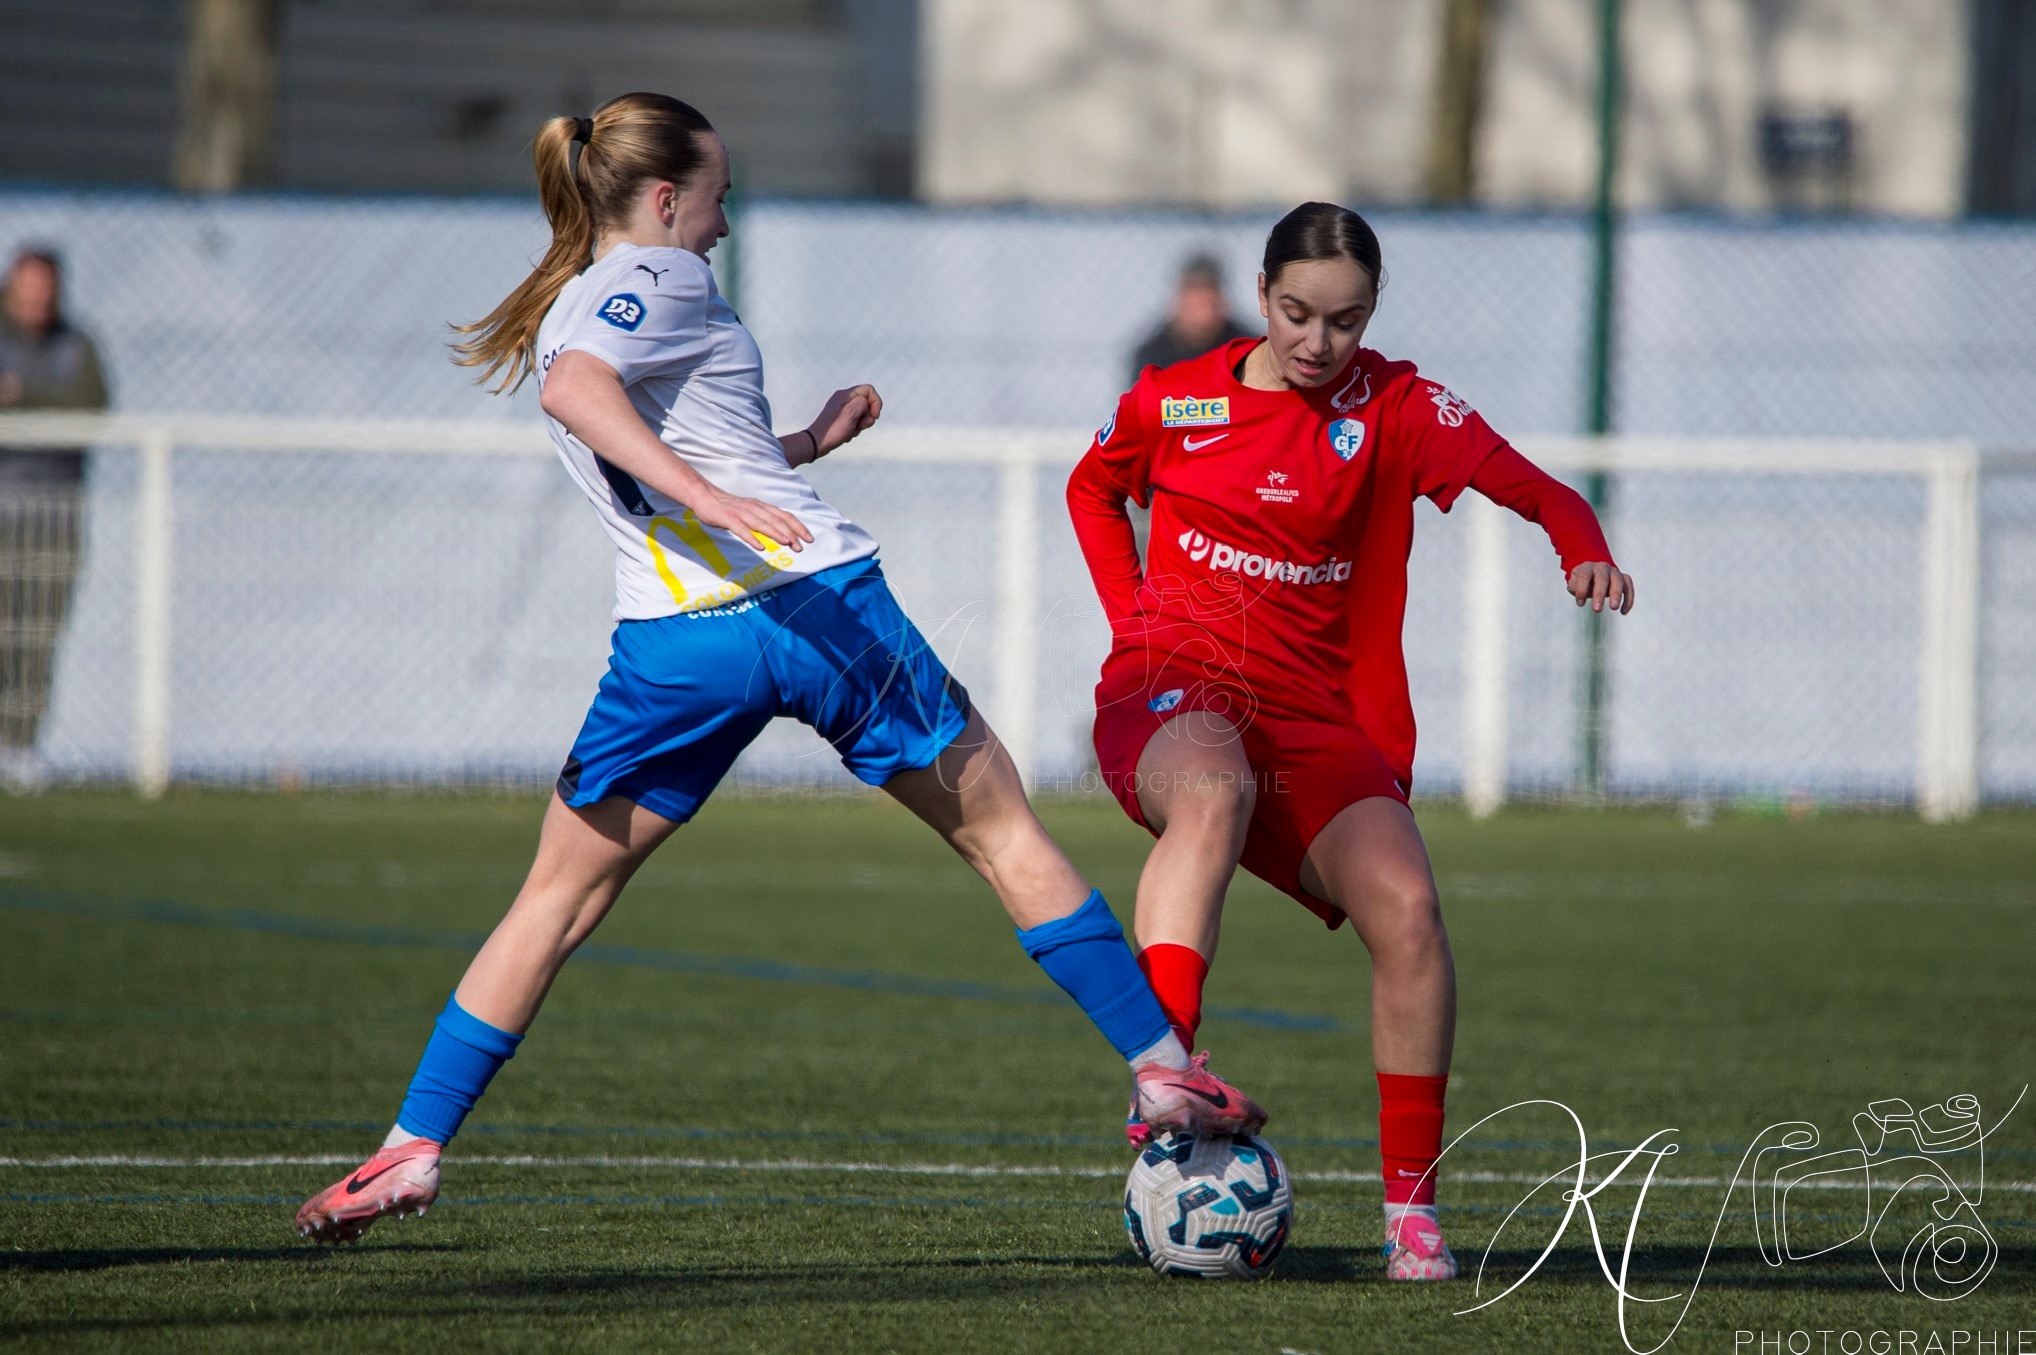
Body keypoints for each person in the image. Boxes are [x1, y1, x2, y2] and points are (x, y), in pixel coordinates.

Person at [293, 93, 1264, 1245]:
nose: (719, 219)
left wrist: (795, 444)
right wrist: (722, 496)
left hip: (678, 645)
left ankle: (410, 1147)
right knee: (1000, 828)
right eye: (713, 196)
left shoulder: (570, 301)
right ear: (662, 200)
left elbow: (650, 426)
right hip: (815, 606)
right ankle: (1161, 1068)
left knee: (555, 898)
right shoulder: (662, 278)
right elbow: (581, 392)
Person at [1066, 202, 1635, 1282]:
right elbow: (1091, 486)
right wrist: (1128, 616)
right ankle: (1167, 1071)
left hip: (1314, 713)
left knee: (1410, 914)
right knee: (1213, 789)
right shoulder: (1175, 396)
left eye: (1344, 319)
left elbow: (1537, 485)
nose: (1318, 342)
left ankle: (1411, 1216)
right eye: (1294, 313)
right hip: (1171, 681)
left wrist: (1582, 544)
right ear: (1262, 292)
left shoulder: (1397, 404)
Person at [0, 246, 109, 768]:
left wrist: (22, 397)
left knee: (37, 635)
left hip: (54, 514)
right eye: (29, 284)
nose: (37, 296)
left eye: (46, 286)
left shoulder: (77, 344)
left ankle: (20, 745)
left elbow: (92, 408)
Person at [1126, 253, 1253, 385]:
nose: (1201, 303)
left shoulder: (1248, 350)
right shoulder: (1152, 355)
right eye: (1194, 293)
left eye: (1207, 293)